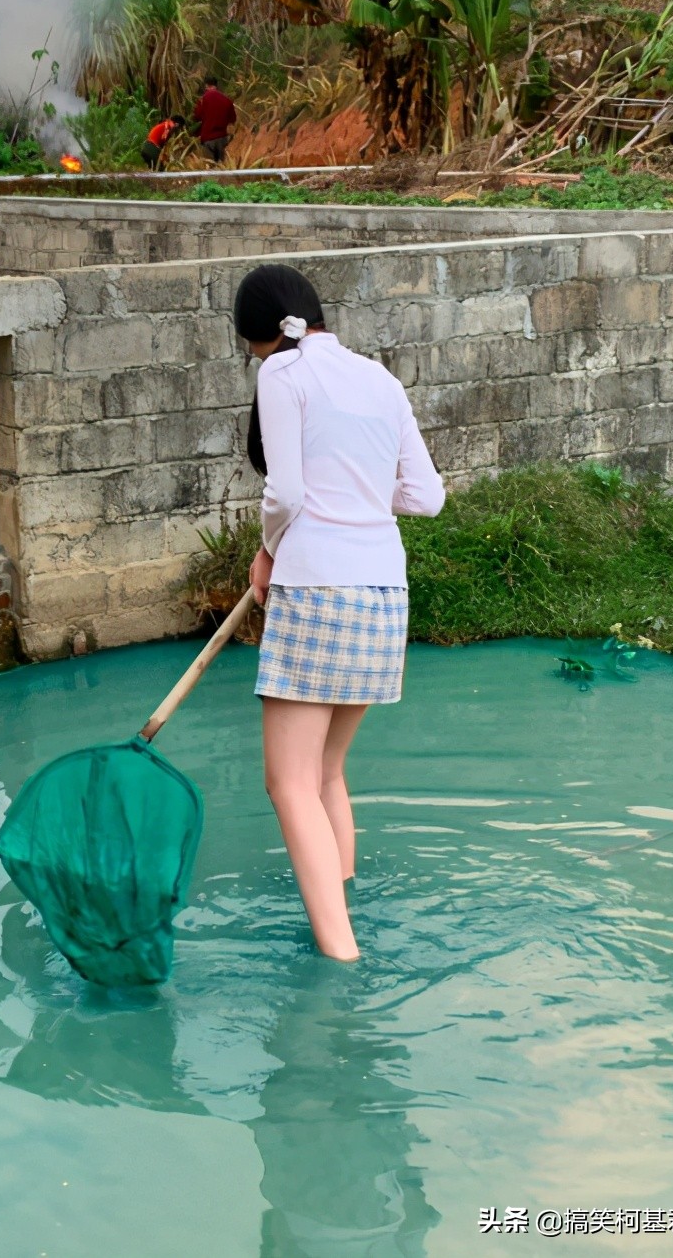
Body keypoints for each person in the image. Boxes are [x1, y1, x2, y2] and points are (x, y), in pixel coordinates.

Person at [234, 264, 445, 963]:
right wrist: (359, 490)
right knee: (326, 773)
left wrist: (267, 552)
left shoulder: (281, 372)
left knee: (288, 783)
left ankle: (340, 951)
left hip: (318, 590)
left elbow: (288, 494)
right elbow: (427, 496)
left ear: (258, 336)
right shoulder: (380, 379)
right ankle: (343, 897)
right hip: (383, 596)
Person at [193, 76, 236, 163]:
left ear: (206, 85)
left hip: (208, 138)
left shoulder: (203, 99)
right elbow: (233, 119)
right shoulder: (227, 100)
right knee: (221, 166)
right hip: (222, 138)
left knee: (209, 166)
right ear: (216, 85)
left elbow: (197, 116)